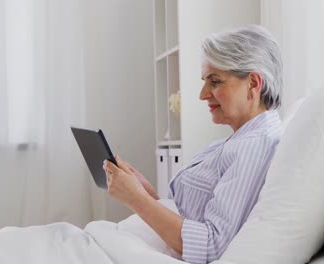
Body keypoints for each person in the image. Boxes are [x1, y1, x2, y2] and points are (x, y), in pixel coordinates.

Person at [103, 24, 283, 264]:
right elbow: (192, 217)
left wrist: (137, 199)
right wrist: (146, 193)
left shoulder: (255, 147)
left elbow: (210, 246)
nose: (203, 94)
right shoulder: (237, 141)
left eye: (215, 81)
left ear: (253, 83)